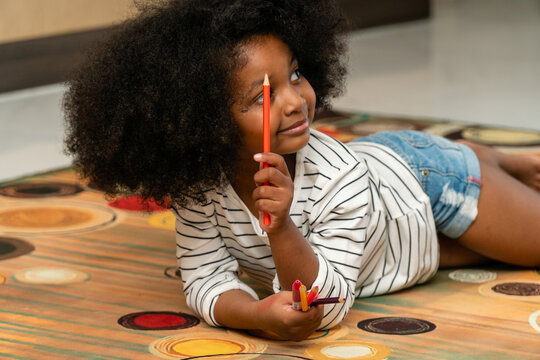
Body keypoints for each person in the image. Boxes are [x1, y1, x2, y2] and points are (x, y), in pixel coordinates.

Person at [63, 0, 540, 341]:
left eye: (294, 74)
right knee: (480, 254)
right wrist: (254, 313)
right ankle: (490, 159)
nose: (295, 101)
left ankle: (477, 159)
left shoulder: (338, 174)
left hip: (425, 181)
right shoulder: (199, 189)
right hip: (393, 241)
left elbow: (330, 307)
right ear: (202, 124)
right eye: (262, 95)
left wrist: (281, 226)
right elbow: (205, 278)